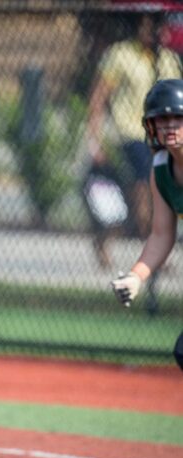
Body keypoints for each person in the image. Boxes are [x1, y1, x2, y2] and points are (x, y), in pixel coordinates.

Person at [87, 13, 182, 268]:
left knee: (149, 197)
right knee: (142, 192)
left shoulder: (168, 60)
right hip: (129, 135)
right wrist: (94, 139)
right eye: (148, 23)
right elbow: (98, 97)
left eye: (158, 24)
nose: (153, 30)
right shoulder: (120, 55)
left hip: (162, 137)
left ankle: (121, 240)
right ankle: (152, 253)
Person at [111, 79, 183, 368]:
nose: (168, 124)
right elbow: (161, 235)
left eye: (177, 116)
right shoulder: (161, 168)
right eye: (160, 118)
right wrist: (136, 276)